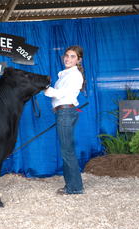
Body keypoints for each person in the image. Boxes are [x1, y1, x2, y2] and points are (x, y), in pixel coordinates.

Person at [44, 45, 86, 195]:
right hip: (64, 112)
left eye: (72, 56)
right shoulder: (65, 74)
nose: (68, 59)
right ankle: (73, 185)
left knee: (67, 151)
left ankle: (74, 187)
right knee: (67, 150)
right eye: (67, 55)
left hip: (65, 112)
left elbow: (60, 94)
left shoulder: (74, 75)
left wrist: (42, 87)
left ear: (79, 60)